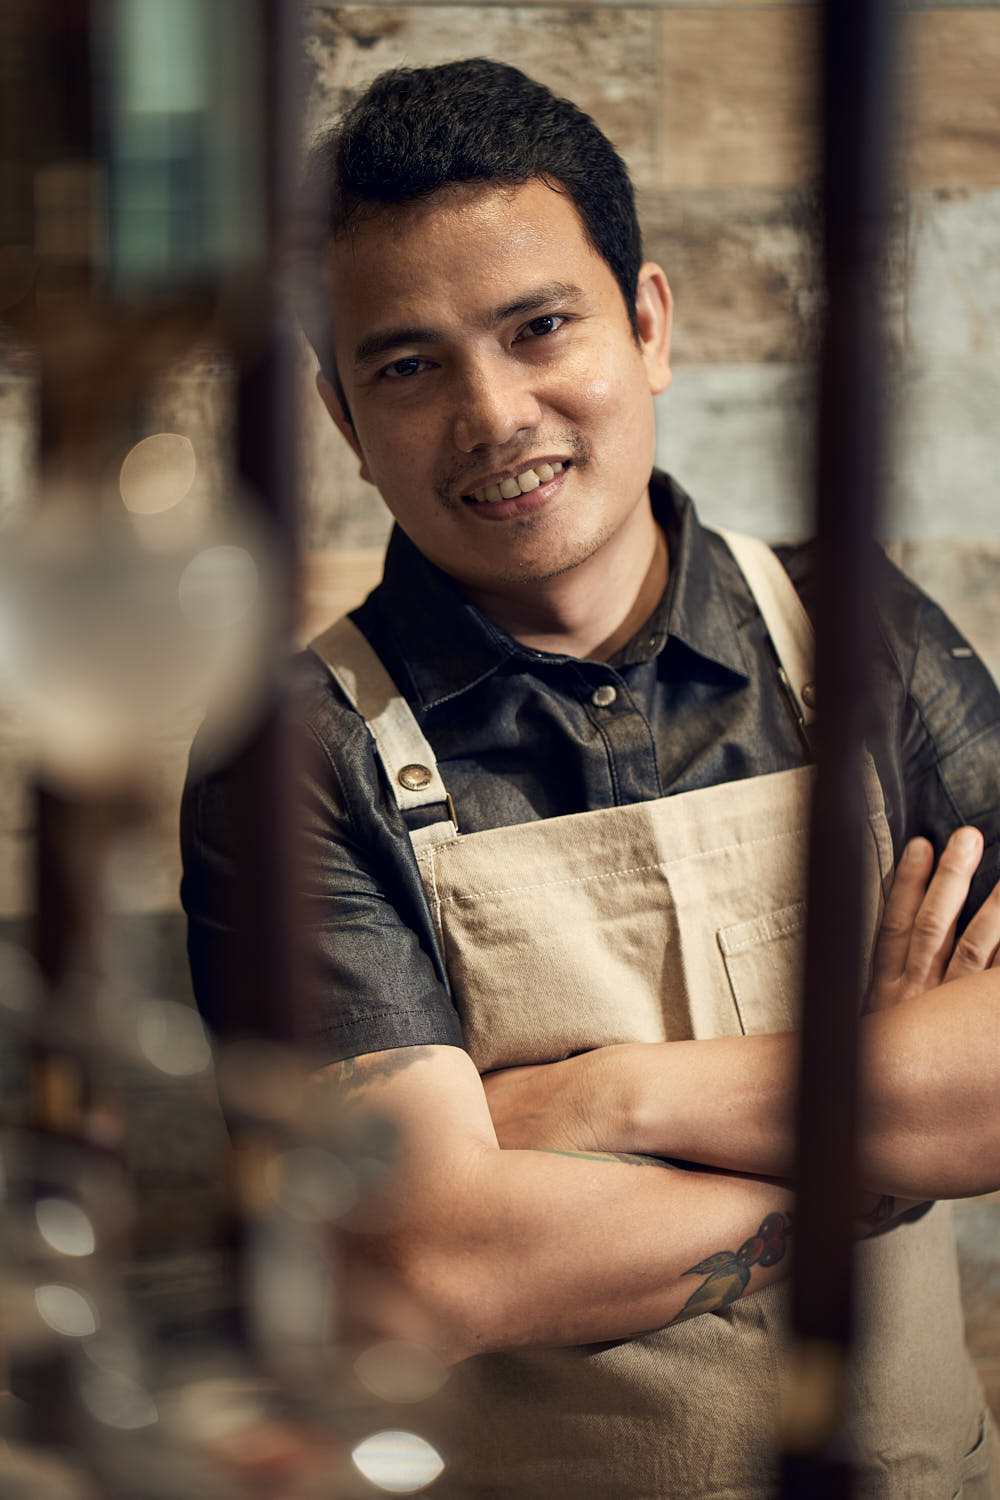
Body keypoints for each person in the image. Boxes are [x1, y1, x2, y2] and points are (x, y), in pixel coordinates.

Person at [181, 58, 1000, 1498]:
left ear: (647, 324)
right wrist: (888, 1120)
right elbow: (428, 1265)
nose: (494, 415)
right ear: (341, 418)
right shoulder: (294, 754)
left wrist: (614, 1100)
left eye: (538, 326)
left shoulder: (854, 631)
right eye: (409, 364)